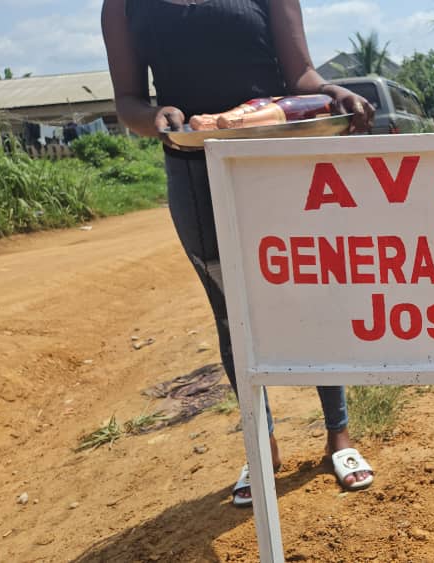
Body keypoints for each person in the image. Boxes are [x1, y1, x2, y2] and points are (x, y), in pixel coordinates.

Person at [100, 0, 377, 506]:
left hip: (277, 165)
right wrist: (155, 117)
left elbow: (301, 74)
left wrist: (330, 92)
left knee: (315, 295)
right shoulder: (123, 5)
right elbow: (127, 102)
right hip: (195, 172)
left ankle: (338, 435)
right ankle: (262, 445)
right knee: (231, 313)